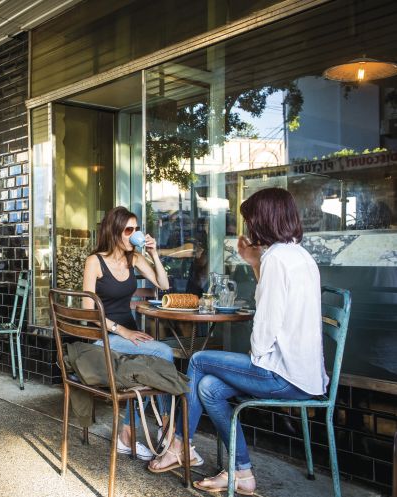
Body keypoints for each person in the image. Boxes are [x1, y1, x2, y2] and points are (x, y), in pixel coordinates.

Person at [148, 188, 328, 496]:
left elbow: (267, 326)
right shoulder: (297, 254)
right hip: (304, 374)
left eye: (248, 219)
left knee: (198, 360)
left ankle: (180, 444)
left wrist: (253, 357)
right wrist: (253, 262)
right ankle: (241, 472)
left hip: (282, 375)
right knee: (208, 388)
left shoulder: (276, 259)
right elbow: (276, 305)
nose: (244, 227)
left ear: (262, 220)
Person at [82, 207, 187, 462]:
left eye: (136, 229)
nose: (134, 234)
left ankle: (129, 435)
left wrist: (153, 253)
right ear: (114, 231)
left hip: (130, 338)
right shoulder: (95, 261)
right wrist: (122, 330)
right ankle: (166, 426)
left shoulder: (135, 258)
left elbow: (163, 285)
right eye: (129, 230)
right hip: (104, 337)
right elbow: (88, 310)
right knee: (162, 352)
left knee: (146, 363)